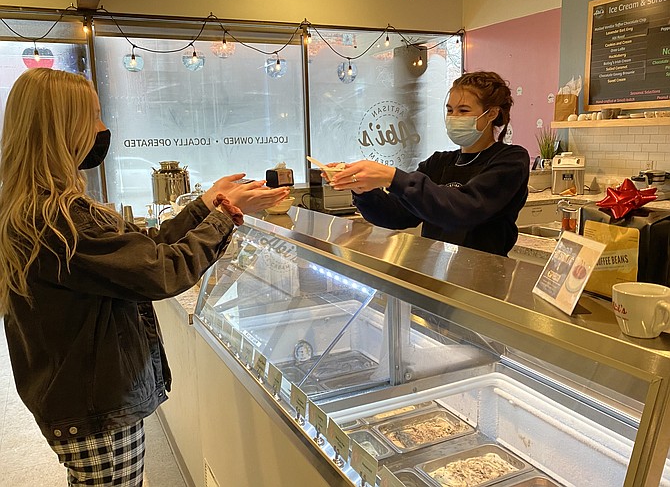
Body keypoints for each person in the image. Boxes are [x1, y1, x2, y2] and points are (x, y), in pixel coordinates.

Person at [0, 68, 289, 486]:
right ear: (62, 129)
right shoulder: (59, 221)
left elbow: (145, 248)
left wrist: (206, 205)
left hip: (83, 399)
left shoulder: (39, 209)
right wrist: (224, 217)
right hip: (94, 406)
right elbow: (162, 270)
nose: (103, 128)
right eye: (94, 116)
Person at [329, 71, 529, 257]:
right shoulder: (439, 162)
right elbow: (397, 215)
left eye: (463, 110)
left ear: (492, 114)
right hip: (436, 272)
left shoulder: (510, 160)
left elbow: (465, 208)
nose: (453, 118)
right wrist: (362, 189)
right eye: (450, 110)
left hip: (484, 278)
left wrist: (392, 177)